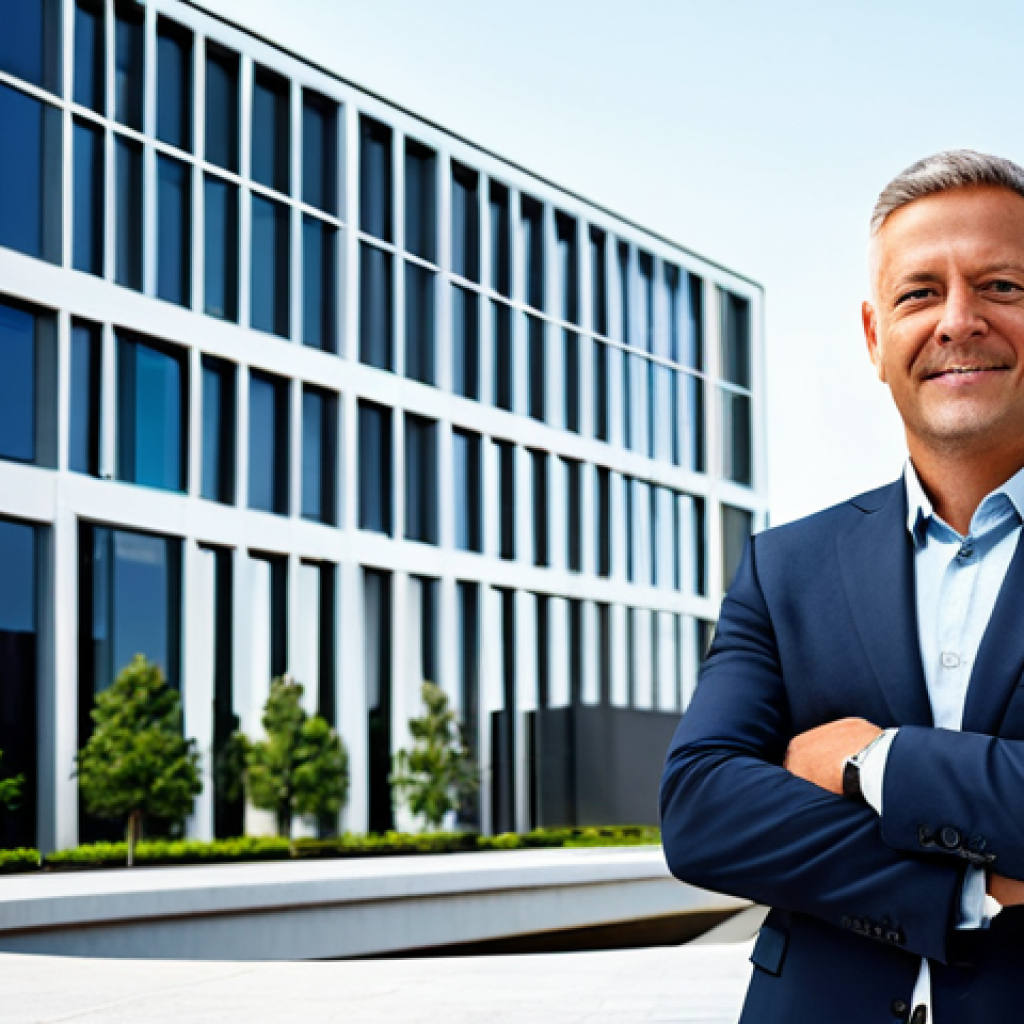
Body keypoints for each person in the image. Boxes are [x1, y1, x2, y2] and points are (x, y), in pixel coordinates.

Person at [660, 149, 1024, 1024]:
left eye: (1002, 287)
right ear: (873, 337)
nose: (957, 321)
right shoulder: (783, 566)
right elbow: (703, 806)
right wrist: (971, 885)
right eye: (918, 293)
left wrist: (876, 760)